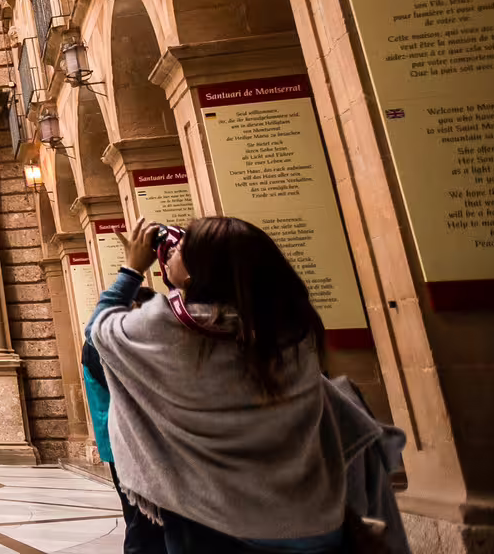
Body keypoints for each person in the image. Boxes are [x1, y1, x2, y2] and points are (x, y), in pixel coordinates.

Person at [92, 215, 344, 552]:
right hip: (299, 508)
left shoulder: (172, 331)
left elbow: (99, 331)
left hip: (206, 514)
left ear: (198, 271)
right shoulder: (292, 327)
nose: (170, 250)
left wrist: (132, 270)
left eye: (181, 246)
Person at [82, 282, 164, 553]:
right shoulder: (100, 346)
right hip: (124, 441)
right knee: (141, 519)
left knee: (148, 520)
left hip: (128, 439)